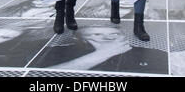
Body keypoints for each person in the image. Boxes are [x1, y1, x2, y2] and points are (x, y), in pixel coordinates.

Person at [30, 25, 168, 74]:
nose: (108, 39)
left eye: (114, 34)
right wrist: (102, 54)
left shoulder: (153, 54)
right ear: (81, 40)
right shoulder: (57, 52)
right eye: (96, 34)